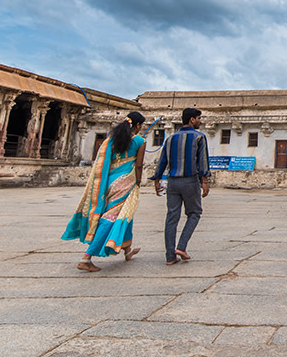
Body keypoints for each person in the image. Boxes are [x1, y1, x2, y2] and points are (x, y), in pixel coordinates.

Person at [63, 111, 146, 272]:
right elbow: (139, 165)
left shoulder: (111, 141)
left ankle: (127, 250)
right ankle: (86, 258)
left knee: (126, 214)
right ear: (137, 125)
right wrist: (138, 181)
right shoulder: (139, 141)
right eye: (140, 125)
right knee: (112, 217)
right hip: (125, 183)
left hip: (108, 182)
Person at [150, 108, 210, 265]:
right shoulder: (199, 137)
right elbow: (202, 162)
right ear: (191, 120)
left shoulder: (170, 139)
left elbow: (162, 161)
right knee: (195, 213)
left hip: (173, 182)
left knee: (171, 217)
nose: (200, 121)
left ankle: (170, 256)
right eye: (198, 118)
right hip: (190, 180)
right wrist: (205, 181)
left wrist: (157, 180)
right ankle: (181, 246)